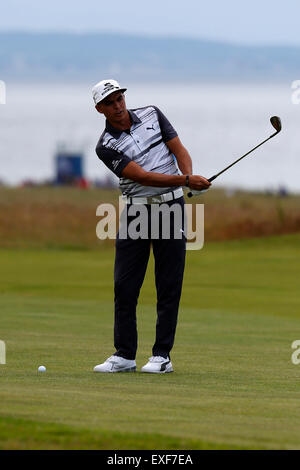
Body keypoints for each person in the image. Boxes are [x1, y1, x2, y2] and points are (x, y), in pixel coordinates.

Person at [92, 79, 211, 373]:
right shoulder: (105, 146)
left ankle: (162, 356)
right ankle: (124, 356)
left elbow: (179, 149)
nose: (118, 105)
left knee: (168, 284)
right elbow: (142, 176)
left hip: (170, 208)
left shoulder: (152, 114)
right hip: (135, 213)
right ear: (100, 109)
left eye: (119, 98)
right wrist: (186, 181)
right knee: (125, 285)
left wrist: (189, 175)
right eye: (110, 102)